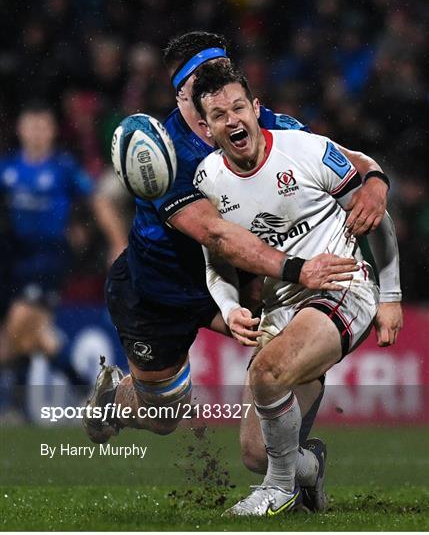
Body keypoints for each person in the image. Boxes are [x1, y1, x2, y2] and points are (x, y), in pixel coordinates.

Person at [83, 32, 390, 506]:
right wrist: (298, 269)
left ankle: (296, 469)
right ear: (185, 94)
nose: (222, 93)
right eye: (206, 85)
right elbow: (220, 238)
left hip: (244, 286)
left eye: (225, 75)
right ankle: (113, 405)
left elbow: (337, 158)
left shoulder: (259, 121)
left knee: (259, 446)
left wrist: (373, 181)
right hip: (158, 291)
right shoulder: (164, 154)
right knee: (164, 415)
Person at [191, 62, 403, 515]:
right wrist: (229, 308)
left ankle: (281, 492)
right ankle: (307, 468)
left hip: (344, 286)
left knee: (266, 371)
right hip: (282, 309)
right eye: (219, 115)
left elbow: (374, 216)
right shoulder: (207, 181)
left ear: (256, 108)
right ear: (208, 129)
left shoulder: (306, 150)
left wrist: (391, 296)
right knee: (256, 453)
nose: (233, 120)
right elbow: (217, 265)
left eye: (238, 107)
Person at [0, 102, 127, 418]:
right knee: (38, 338)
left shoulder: (64, 168)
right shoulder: (8, 167)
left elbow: (97, 201)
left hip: (49, 259)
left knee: (18, 326)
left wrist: (117, 242)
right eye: (32, 125)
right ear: (21, 129)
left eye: (43, 126)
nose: (37, 132)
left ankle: (14, 405)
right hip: (13, 259)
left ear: (53, 131)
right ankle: (93, 392)